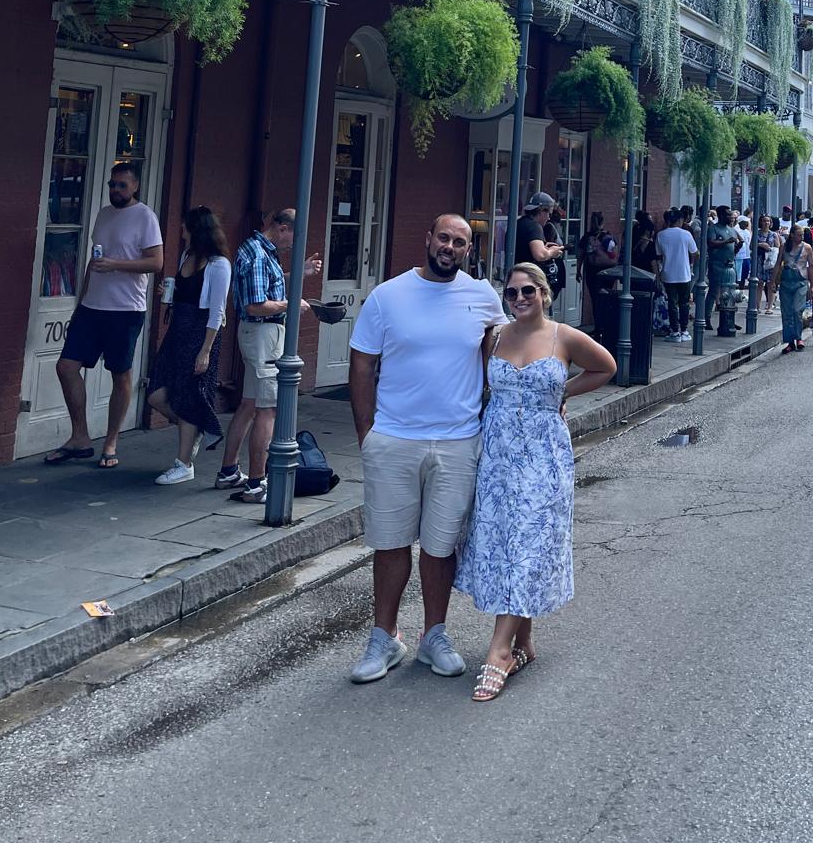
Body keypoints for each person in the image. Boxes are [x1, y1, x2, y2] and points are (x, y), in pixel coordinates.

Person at [346, 214, 505, 684]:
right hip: (395, 438)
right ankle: (384, 637)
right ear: (428, 239)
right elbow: (361, 365)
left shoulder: (483, 297)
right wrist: (367, 434)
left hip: (458, 441)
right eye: (444, 238)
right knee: (391, 542)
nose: (450, 247)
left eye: (460, 242)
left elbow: (503, 358)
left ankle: (434, 635)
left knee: (440, 545)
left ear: (468, 250)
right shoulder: (388, 296)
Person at [456, 262, 615, 701]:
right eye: (511, 293)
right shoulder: (496, 337)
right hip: (498, 453)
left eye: (528, 291)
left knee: (526, 543)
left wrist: (565, 393)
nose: (519, 298)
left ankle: (498, 652)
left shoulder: (563, 336)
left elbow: (605, 367)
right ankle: (523, 643)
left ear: (545, 294)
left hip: (544, 457)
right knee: (504, 542)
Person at [48, 163, 163, 470]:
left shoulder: (145, 217)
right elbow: (94, 260)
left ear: (135, 186)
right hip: (92, 306)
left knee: (120, 374)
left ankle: (111, 440)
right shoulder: (103, 214)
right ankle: (80, 437)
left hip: (125, 309)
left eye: (122, 185)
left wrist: (117, 265)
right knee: (66, 366)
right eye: (112, 184)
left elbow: (156, 262)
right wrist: (82, 299)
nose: (116, 190)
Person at [214, 208, 321, 503]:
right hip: (264, 335)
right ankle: (257, 484)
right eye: (293, 237)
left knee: (249, 404)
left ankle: (229, 472)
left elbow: (264, 285)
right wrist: (290, 304)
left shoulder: (257, 249)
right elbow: (256, 304)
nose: (292, 244)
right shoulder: (260, 253)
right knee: (268, 409)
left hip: (255, 335)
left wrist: (299, 273)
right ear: (282, 227)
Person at [148, 205, 232, 484]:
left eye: (185, 227)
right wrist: (167, 294)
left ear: (196, 230)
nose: (181, 231)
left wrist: (205, 351)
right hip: (178, 331)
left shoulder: (219, 265)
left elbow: (217, 311)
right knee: (157, 394)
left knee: (187, 394)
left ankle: (184, 463)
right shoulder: (187, 256)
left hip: (200, 332)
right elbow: (184, 294)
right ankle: (193, 428)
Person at [656, 208, 698, 344]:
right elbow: (695, 252)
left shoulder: (660, 235)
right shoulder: (686, 234)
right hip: (684, 273)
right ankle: (684, 330)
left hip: (668, 273)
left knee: (672, 303)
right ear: (680, 220)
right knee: (684, 303)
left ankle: (675, 331)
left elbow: (659, 255)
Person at [773, 224, 813, 352]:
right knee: (787, 313)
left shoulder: (807, 248)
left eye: (802, 235)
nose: (801, 237)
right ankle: (790, 341)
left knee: (797, 310)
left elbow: (811, 267)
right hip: (786, 282)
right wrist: (773, 281)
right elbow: (777, 264)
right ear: (792, 235)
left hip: (800, 282)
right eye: (799, 235)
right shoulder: (784, 247)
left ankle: (798, 337)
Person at [706, 206, 739, 331]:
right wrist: (726, 242)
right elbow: (711, 243)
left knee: (730, 292)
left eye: (731, 215)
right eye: (728, 215)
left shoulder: (731, 230)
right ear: (721, 216)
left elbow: (733, 249)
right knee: (714, 292)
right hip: (717, 264)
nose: (731, 217)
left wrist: (738, 246)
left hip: (730, 264)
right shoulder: (713, 228)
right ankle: (707, 317)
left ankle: (729, 318)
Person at [514, 192, 565, 273]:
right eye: (549, 213)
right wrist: (552, 252)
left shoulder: (519, 223)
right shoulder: (534, 226)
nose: (548, 218)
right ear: (542, 210)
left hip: (515, 273)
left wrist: (544, 247)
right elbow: (540, 255)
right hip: (529, 276)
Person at [758, 215, 781, 311]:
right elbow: (751, 245)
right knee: (759, 283)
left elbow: (778, 247)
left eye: (768, 221)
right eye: (764, 221)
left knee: (770, 283)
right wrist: (760, 245)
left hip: (770, 261)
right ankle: (757, 306)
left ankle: (770, 306)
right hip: (759, 260)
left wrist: (769, 248)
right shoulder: (757, 233)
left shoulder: (774, 234)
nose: (766, 223)